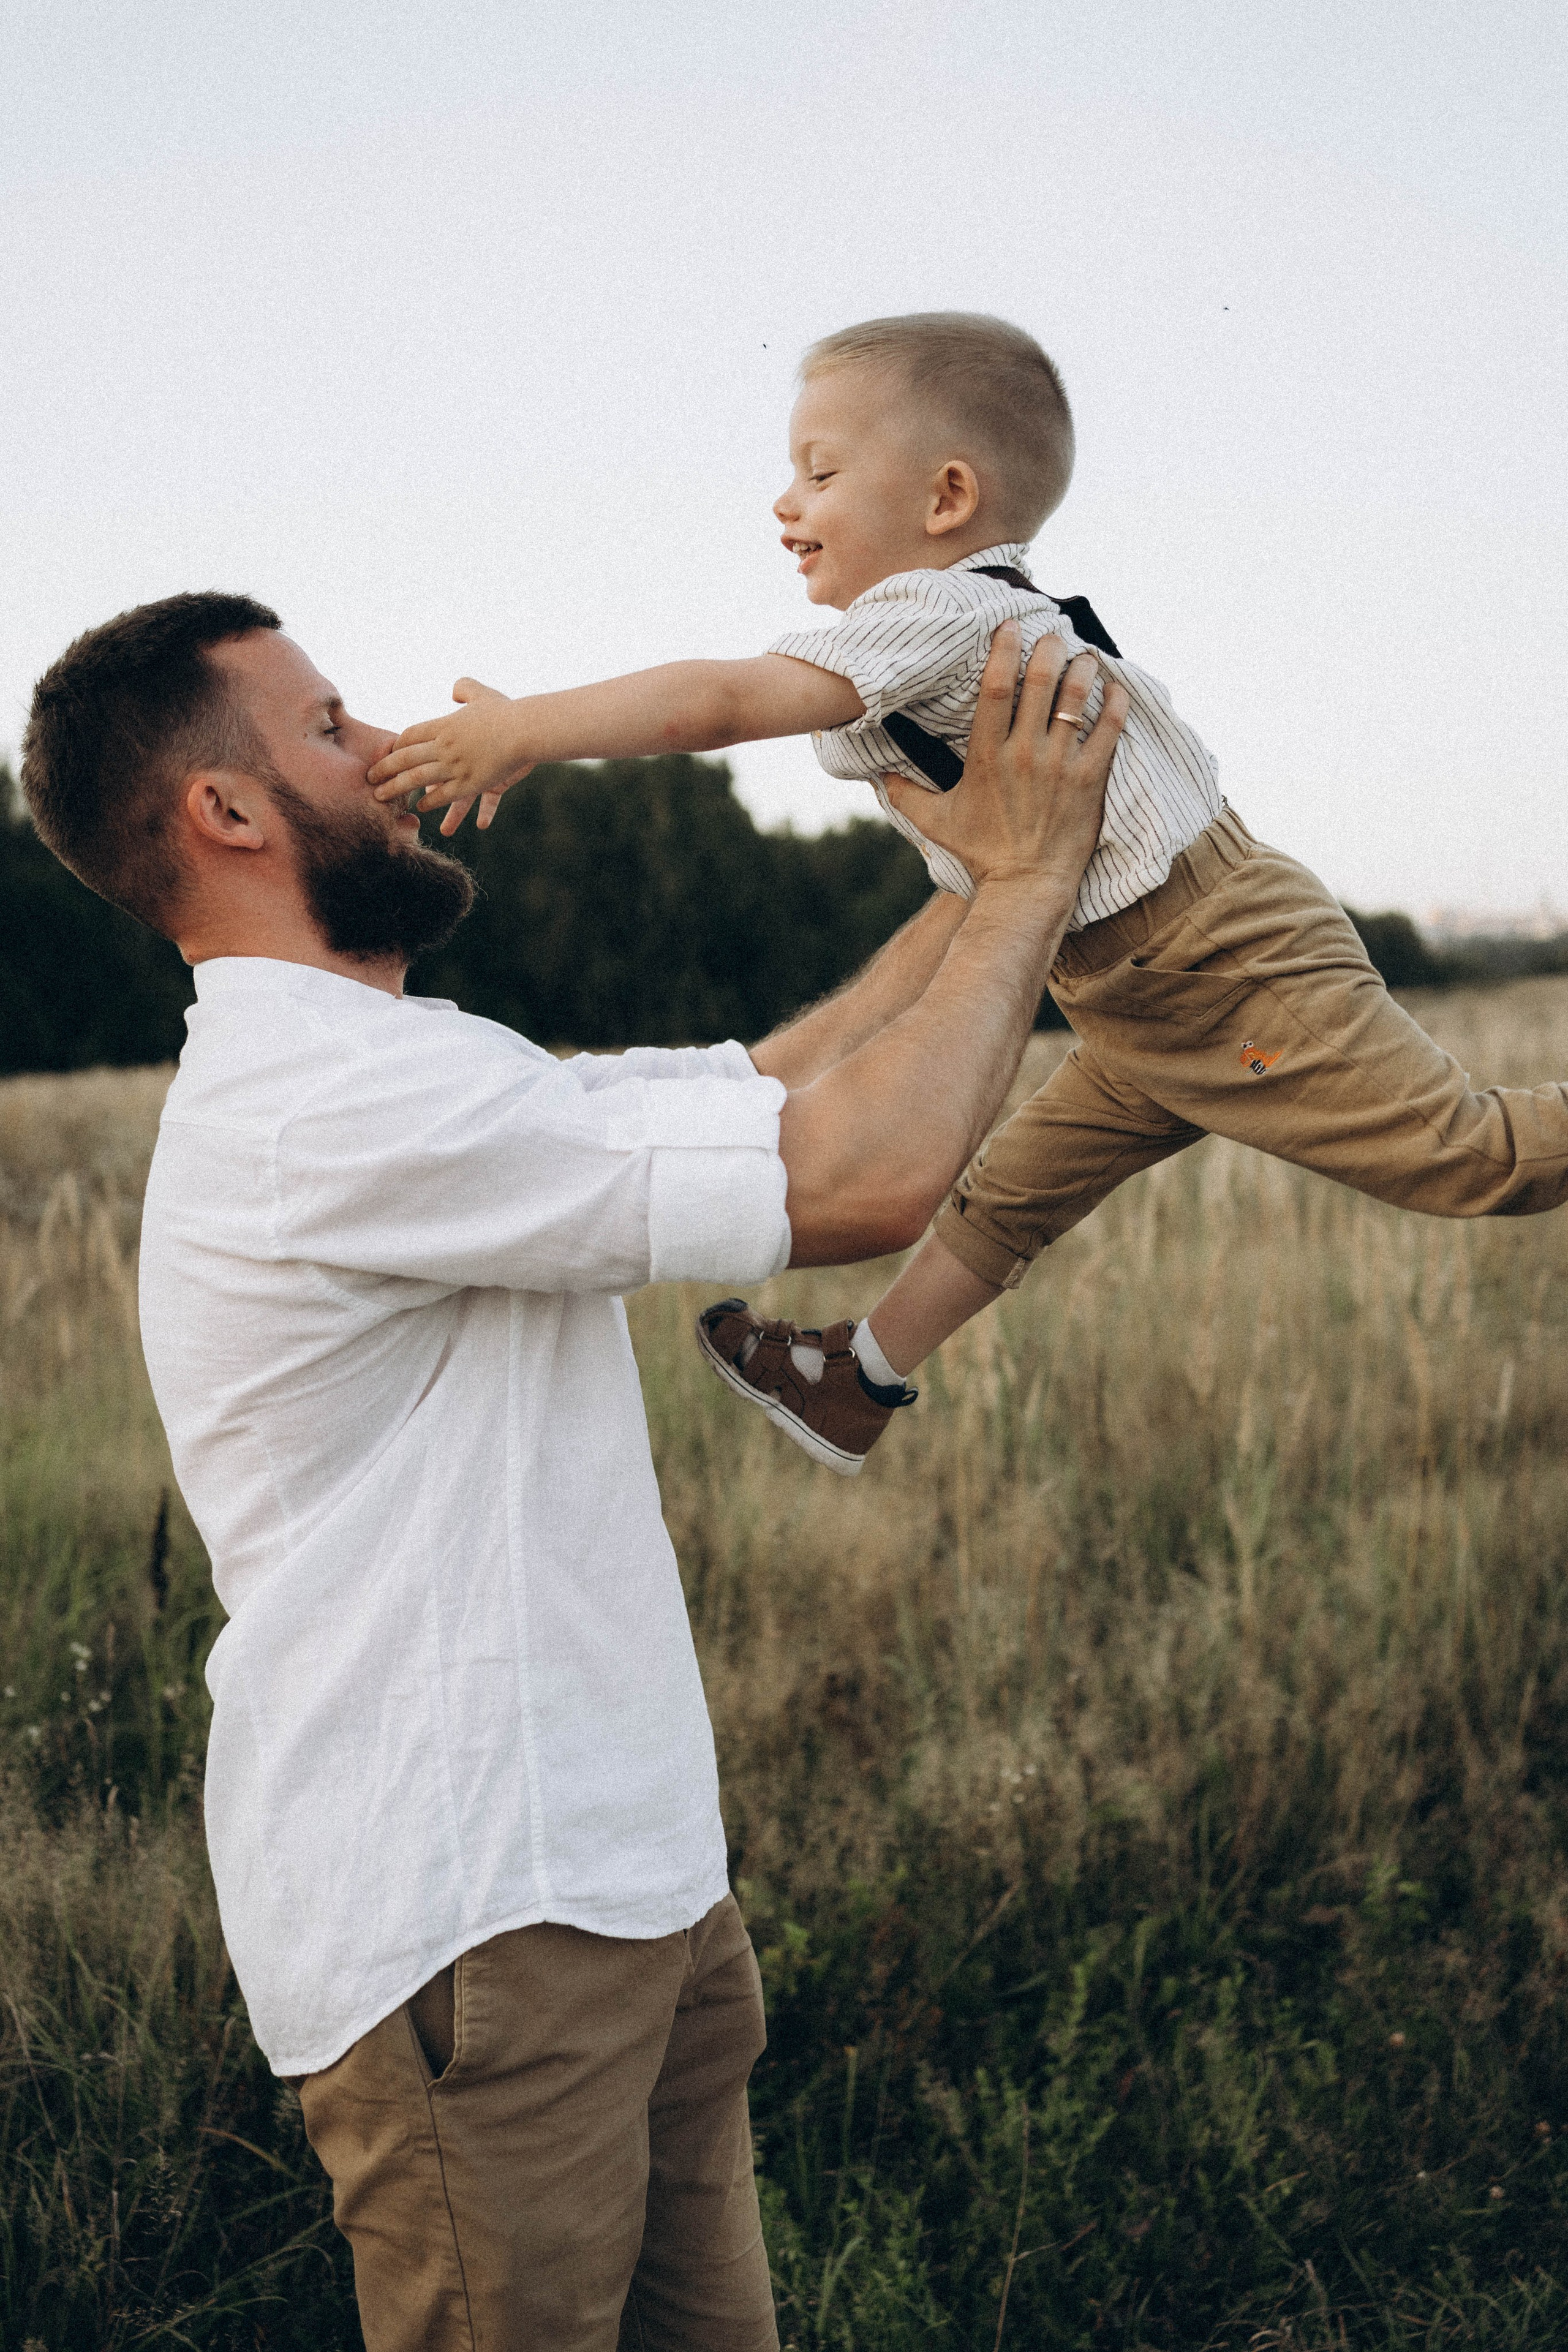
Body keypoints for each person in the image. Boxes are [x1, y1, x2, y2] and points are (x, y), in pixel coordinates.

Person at [20, 588, 1125, 2351]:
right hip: (475, 1923)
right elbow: (856, 1179)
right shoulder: (321, 1105)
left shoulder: (413, 1068)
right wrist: (1034, 885)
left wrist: (966, 887)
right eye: (326, 728)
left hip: (625, 1892)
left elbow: (769, 1090)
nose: (384, 751)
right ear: (223, 815)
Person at [370, 309, 1568, 1474]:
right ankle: (856, 1381)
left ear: (944, 500)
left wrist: (530, 729)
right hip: (1122, 984)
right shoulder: (957, 632)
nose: (785, 502)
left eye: (820, 469)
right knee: (1004, 1198)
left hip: (1213, 961)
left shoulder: (930, 611)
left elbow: (727, 700)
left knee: (1466, 1156)